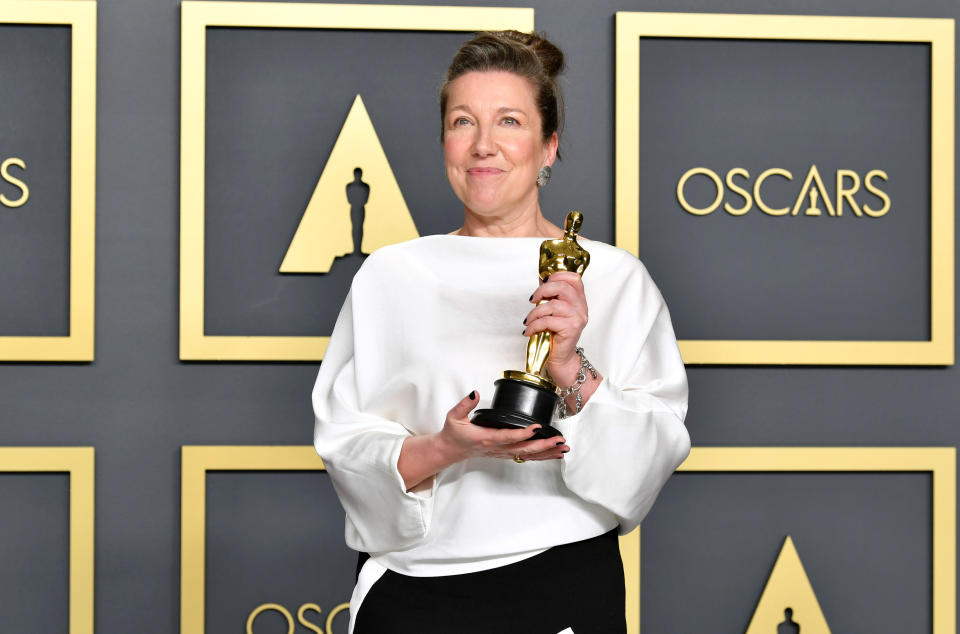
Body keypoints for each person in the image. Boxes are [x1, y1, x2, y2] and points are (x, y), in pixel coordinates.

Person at [312, 30, 690, 634]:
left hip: (562, 586)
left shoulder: (614, 278)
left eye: (509, 121)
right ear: (444, 143)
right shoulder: (391, 275)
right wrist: (450, 446)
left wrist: (570, 368)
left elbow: (649, 461)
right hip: (411, 594)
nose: (484, 145)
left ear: (549, 148)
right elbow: (345, 448)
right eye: (463, 122)